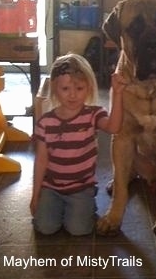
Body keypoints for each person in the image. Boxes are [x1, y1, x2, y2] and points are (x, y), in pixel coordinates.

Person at [30, 53, 126, 236]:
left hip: (81, 187)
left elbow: (114, 127)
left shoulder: (93, 115)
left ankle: (86, 203)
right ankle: (61, 206)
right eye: (65, 88)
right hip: (52, 188)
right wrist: (36, 195)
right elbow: (41, 161)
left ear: (89, 88)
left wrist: (118, 94)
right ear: (54, 89)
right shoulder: (45, 123)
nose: (72, 95)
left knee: (78, 229)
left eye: (79, 88)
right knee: (45, 228)